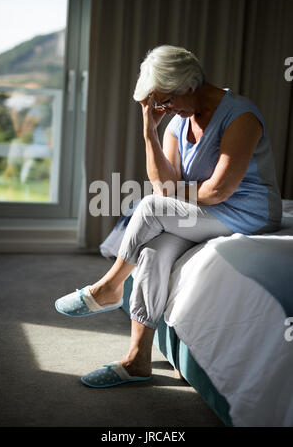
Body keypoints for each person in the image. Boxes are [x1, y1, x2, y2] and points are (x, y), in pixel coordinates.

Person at [55, 45, 282, 388]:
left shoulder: (240, 116)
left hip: (249, 213)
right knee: (152, 252)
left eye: (166, 100)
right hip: (205, 211)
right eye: (159, 104)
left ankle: (110, 286)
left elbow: (219, 191)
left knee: (149, 207)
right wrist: (149, 131)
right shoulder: (178, 122)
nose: (166, 109)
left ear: (187, 86)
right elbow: (165, 185)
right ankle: (137, 359)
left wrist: (171, 196)